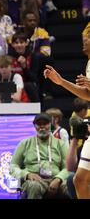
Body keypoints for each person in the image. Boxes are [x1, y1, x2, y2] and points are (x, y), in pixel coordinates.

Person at [44, 24, 90, 198]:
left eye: (87, 39)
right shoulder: (89, 63)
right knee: (79, 180)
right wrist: (61, 81)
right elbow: (87, 95)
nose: (83, 43)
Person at [9, 113, 69, 199]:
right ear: (34, 126)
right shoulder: (25, 143)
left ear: (50, 125)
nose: (42, 127)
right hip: (34, 180)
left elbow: (68, 168)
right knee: (34, 186)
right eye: (39, 124)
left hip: (56, 178)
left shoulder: (60, 144)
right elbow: (12, 167)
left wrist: (59, 179)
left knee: (70, 186)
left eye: (45, 124)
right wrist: (27, 174)